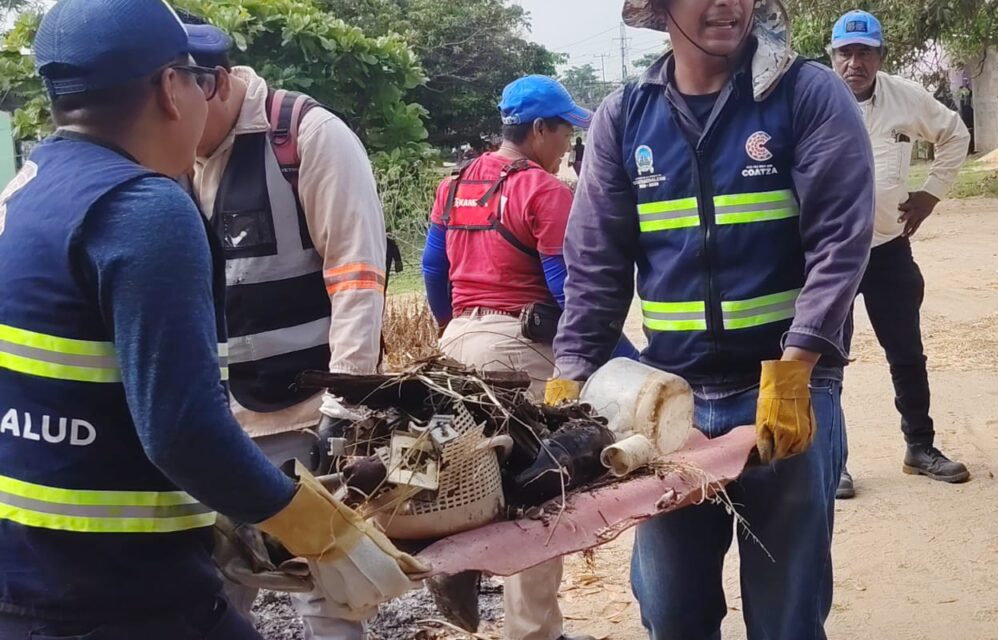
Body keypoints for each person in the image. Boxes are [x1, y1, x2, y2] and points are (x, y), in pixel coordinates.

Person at [0, 1, 423, 638]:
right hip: (127, 593)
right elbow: (181, 434)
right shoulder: (144, 206)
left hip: (28, 578)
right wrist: (322, 531)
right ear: (172, 87)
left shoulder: (26, 192)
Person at [546, 0, 875, 637]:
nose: (727, 3)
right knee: (671, 611)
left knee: (787, 617)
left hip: (784, 389)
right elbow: (594, 266)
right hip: (670, 402)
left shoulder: (806, 95)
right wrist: (570, 374)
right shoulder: (625, 117)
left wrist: (798, 365)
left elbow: (841, 240)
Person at [183, 19, 391, 639]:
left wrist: (344, 412)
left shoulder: (308, 137)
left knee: (327, 591)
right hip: (214, 426)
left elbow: (357, 277)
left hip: (301, 417)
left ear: (215, 84)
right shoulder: (171, 156)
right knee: (212, 591)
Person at [422, 75, 636, 640]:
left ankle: (451, 562)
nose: (568, 143)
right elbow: (566, 288)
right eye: (565, 129)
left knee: (465, 482)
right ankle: (532, 631)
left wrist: (455, 329)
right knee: (540, 494)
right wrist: (624, 356)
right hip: (519, 351)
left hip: (454, 350)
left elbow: (431, 270)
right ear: (541, 128)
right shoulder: (545, 191)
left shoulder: (456, 184)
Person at [829, 10, 972, 499]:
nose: (855, 62)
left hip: (889, 247)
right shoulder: (811, 99)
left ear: (879, 56)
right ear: (832, 57)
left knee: (906, 352)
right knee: (825, 360)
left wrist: (931, 192)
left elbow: (955, 134)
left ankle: (920, 447)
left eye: (864, 52)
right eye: (845, 53)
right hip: (828, 255)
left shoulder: (903, 97)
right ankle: (832, 464)